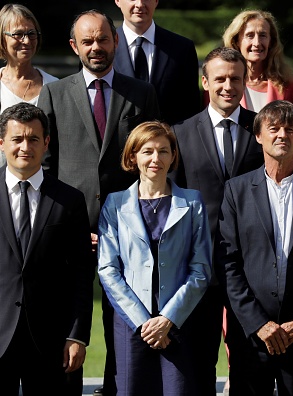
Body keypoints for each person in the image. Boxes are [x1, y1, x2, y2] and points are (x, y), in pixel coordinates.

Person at [37, 10, 160, 396]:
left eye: (102, 39)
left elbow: (154, 160)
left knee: (122, 321)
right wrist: (65, 223)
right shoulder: (54, 93)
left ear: (116, 41)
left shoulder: (141, 92)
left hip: (127, 229)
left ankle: (118, 389)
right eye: (87, 41)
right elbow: (47, 163)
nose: (96, 47)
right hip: (68, 229)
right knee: (68, 320)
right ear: (74, 46)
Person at [215, 100, 293, 396]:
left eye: (290, 129)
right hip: (252, 335)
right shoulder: (236, 190)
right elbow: (228, 262)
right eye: (273, 128)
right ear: (258, 135)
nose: (282, 135)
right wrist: (258, 323)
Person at [172, 46, 263, 396]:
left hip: (250, 266)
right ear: (205, 82)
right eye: (220, 78)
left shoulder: (261, 131)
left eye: (235, 78)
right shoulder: (180, 133)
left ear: (245, 81)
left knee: (249, 360)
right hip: (199, 266)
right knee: (197, 360)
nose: (228, 85)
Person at [97, 121, 212, 395]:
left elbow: (201, 269)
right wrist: (143, 322)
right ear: (133, 156)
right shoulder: (115, 204)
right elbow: (107, 269)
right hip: (130, 323)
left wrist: (167, 319)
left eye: (163, 151)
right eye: (147, 151)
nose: (155, 159)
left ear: (173, 156)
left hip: (178, 321)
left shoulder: (193, 202)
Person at [0, 102, 95, 395]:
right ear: (2, 142)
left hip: (53, 342)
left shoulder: (70, 200)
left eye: (33, 139)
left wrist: (77, 336)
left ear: (47, 143)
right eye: (17, 139)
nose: (25, 146)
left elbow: (82, 274)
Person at [113, 0, 201, 126]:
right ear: (118, 1)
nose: (139, 4)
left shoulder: (182, 49)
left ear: (156, 1)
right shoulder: (103, 50)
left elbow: (191, 109)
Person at [0, 3, 58, 167]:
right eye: (18, 34)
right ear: (2, 37)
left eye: (31, 34)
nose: (26, 41)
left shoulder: (54, 86)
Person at [221, 9, 293, 112]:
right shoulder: (219, 84)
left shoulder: (288, 85)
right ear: (236, 41)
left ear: (271, 41)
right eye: (250, 35)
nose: (257, 43)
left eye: (263, 35)